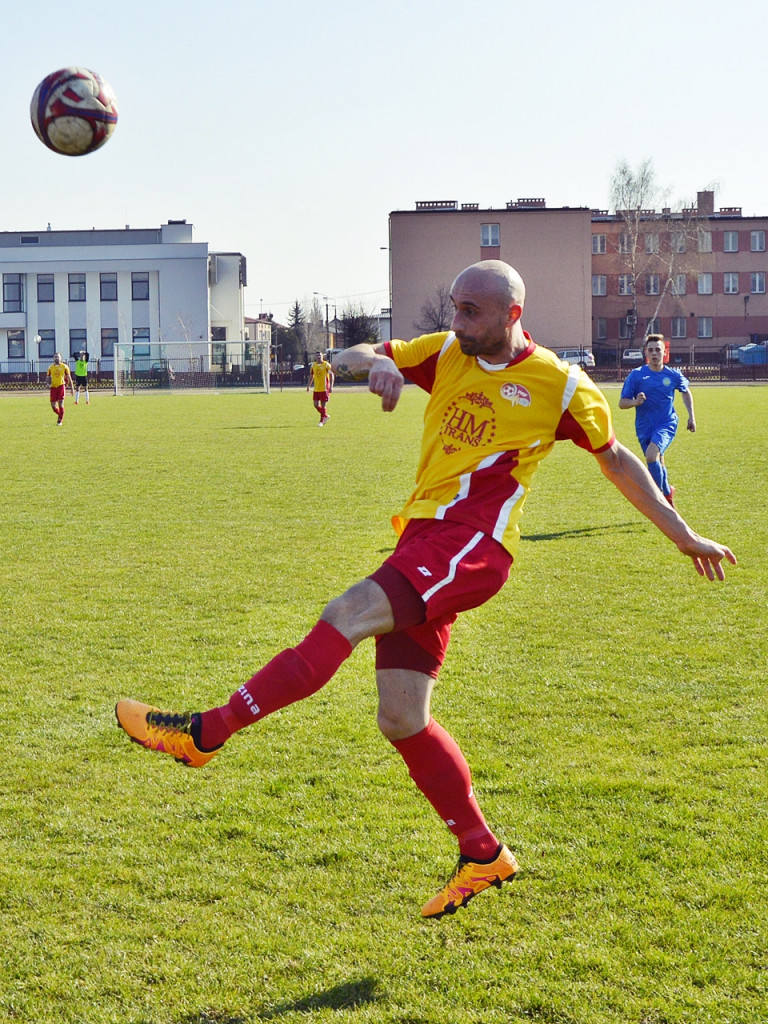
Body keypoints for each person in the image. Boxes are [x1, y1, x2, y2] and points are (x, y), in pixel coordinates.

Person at [116, 261, 735, 920]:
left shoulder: (559, 385)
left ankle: (203, 735)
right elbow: (352, 352)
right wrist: (372, 365)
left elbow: (616, 460)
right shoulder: (444, 352)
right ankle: (482, 852)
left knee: (346, 613)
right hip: (425, 542)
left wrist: (682, 533)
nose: (458, 321)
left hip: (472, 546)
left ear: (512, 316)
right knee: (401, 716)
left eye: (472, 311)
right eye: (455, 306)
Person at [618, 334, 695, 507]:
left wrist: (691, 416)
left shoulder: (673, 375)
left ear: (664, 352)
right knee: (657, 461)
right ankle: (668, 493)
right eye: (651, 350)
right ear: (646, 352)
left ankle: (660, 500)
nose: (654, 353)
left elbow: (685, 391)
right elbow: (622, 403)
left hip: (666, 424)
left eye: (658, 350)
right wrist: (635, 402)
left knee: (652, 456)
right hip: (644, 427)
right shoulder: (636, 375)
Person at [46, 352, 74, 425]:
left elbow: (69, 378)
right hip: (53, 388)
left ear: (61, 358)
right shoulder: (50, 367)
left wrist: (72, 388)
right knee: (53, 406)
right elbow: (48, 376)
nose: (56, 358)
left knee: (61, 404)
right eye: (55, 357)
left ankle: (60, 421)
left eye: (58, 357)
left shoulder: (64, 367)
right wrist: (47, 383)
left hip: (61, 386)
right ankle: (60, 414)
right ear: (53, 358)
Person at [307, 350, 334, 425]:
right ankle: (325, 415)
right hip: (316, 389)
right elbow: (311, 376)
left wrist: (331, 386)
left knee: (323, 405)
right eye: (317, 355)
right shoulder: (313, 365)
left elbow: (331, 375)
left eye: (320, 355)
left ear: (322, 356)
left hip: (324, 389)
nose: (318, 357)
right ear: (315, 357)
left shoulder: (326, 365)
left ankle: (321, 421)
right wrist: (308, 386)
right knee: (315, 405)